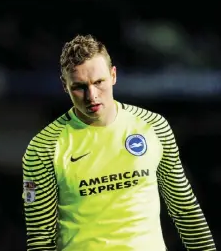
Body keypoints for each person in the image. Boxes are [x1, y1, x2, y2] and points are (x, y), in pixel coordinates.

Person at [22, 34, 216, 251]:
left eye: (98, 82)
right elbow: (41, 237)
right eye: (79, 87)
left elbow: (184, 209)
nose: (92, 96)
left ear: (113, 75)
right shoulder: (43, 147)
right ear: (64, 86)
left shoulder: (154, 126)